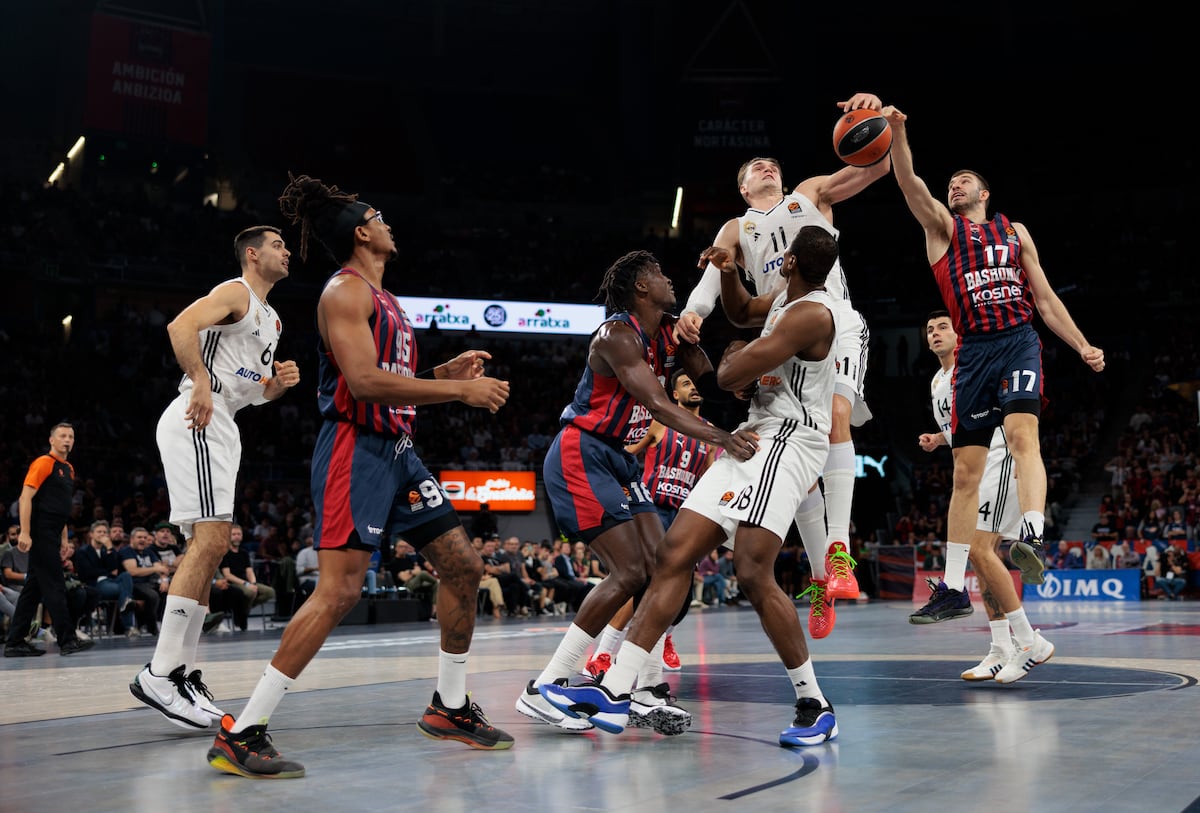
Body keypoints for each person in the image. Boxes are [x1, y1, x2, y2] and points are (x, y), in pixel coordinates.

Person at [206, 172, 513, 780]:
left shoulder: (387, 299)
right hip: (355, 449)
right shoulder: (343, 293)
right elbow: (365, 383)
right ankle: (243, 732)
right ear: (364, 232)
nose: (392, 225)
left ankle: (449, 707)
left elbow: (390, 370)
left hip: (399, 451)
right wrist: (459, 390)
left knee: (464, 566)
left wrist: (443, 368)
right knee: (340, 590)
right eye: (383, 218)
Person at [544, 225, 844, 747]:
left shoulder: (813, 312)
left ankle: (813, 702)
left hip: (786, 440)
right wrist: (726, 277)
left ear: (791, 263)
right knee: (671, 558)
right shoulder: (779, 305)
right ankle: (618, 687)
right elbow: (741, 314)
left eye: (781, 256)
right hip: (749, 437)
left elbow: (726, 377)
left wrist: (731, 355)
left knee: (752, 570)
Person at [674, 92, 892, 639]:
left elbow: (878, 163)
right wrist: (693, 314)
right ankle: (821, 576)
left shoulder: (809, 195)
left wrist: (879, 118)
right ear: (744, 189)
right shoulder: (736, 228)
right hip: (778, 334)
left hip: (833, 318)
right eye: (754, 168)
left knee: (835, 419)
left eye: (771, 163)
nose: (766, 167)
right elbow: (714, 273)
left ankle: (839, 551)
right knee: (798, 457)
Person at [516, 247, 757, 736]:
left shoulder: (665, 333)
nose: (671, 282)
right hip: (581, 452)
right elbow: (659, 405)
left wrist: (693, 334)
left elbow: (707, 382)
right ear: (642, 287)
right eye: (661, 276)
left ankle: (643, 688)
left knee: (667, 567)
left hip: (618, 460)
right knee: (630, 571)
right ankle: (547, 683)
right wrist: (723, 438)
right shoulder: (617, 336)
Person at [883, 103, 1106, 603]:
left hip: (1018, 340)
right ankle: (952, 587)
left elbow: (1045, 299)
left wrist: (1082, 345)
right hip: (975, 351)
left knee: (1024, 435)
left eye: (964, 182)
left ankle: (1032, 537)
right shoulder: (941, 229)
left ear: (985, 194)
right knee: (965, 472)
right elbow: (908, 181)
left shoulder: (1014, 230)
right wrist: (897, 130)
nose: (954, 186)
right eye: (952, 182)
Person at [128, 225, 300, 729]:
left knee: (209, 548)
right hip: (198, 416)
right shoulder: (234, 292)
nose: (286, 251)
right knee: (212, 541)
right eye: (277, 245)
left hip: (225, 422)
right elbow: (179, 327)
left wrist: (277, 388)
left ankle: (181, 671)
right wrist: (201, 382)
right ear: (252, 254)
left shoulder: (271, 318)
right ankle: (161, 673)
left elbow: (253, 393)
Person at [907, 310, 1054, 684]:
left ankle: (1027, 641)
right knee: (978, 554)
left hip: (999, 458)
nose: (935, 333)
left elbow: (1007, 411)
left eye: (943, 326)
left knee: (978, 548)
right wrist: (940, 438)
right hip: (976, 466)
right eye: (930, 328)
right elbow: (964, 425)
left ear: (961, 335)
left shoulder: (976, 366)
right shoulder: (938, 379)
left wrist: (1023, 461)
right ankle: (1001, 647)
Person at [588, 369, 719, 676]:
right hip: (651, 510)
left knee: (682, 591)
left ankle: (666, 636)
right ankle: (604, 653)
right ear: (675, 394)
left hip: (684, 516)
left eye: (696, 384)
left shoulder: (710, 433)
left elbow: (708, 481)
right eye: (686, 383)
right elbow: (627, 453)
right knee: (642, 583)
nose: (694, 388)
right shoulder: (661, 421)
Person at [3, 422, 95, 657]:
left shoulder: (69, 469)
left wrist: (64, 538)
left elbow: (59, 508)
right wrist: (24, 532)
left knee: (33, 589)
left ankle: (14, 642)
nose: (67, 440)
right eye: (62, 436)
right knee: (55, 585)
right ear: (52, 440)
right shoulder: (43, 463)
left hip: (53, 532)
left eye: (71, 436)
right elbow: (25, 498)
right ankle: (68, 640)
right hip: (40, 532)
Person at [73, 519, 137, 635]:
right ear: (91, 534)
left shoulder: (106, 550)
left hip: (110, 582)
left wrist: (109, 548)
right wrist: (106, 572)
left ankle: (126, 603)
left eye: (104, 532)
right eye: (99, 532)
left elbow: (115, 568)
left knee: (126, 575)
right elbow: (86, 572)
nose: (102, 534)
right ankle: (129, 626)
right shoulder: (82, 551)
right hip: (95, 585)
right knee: (125, 592)